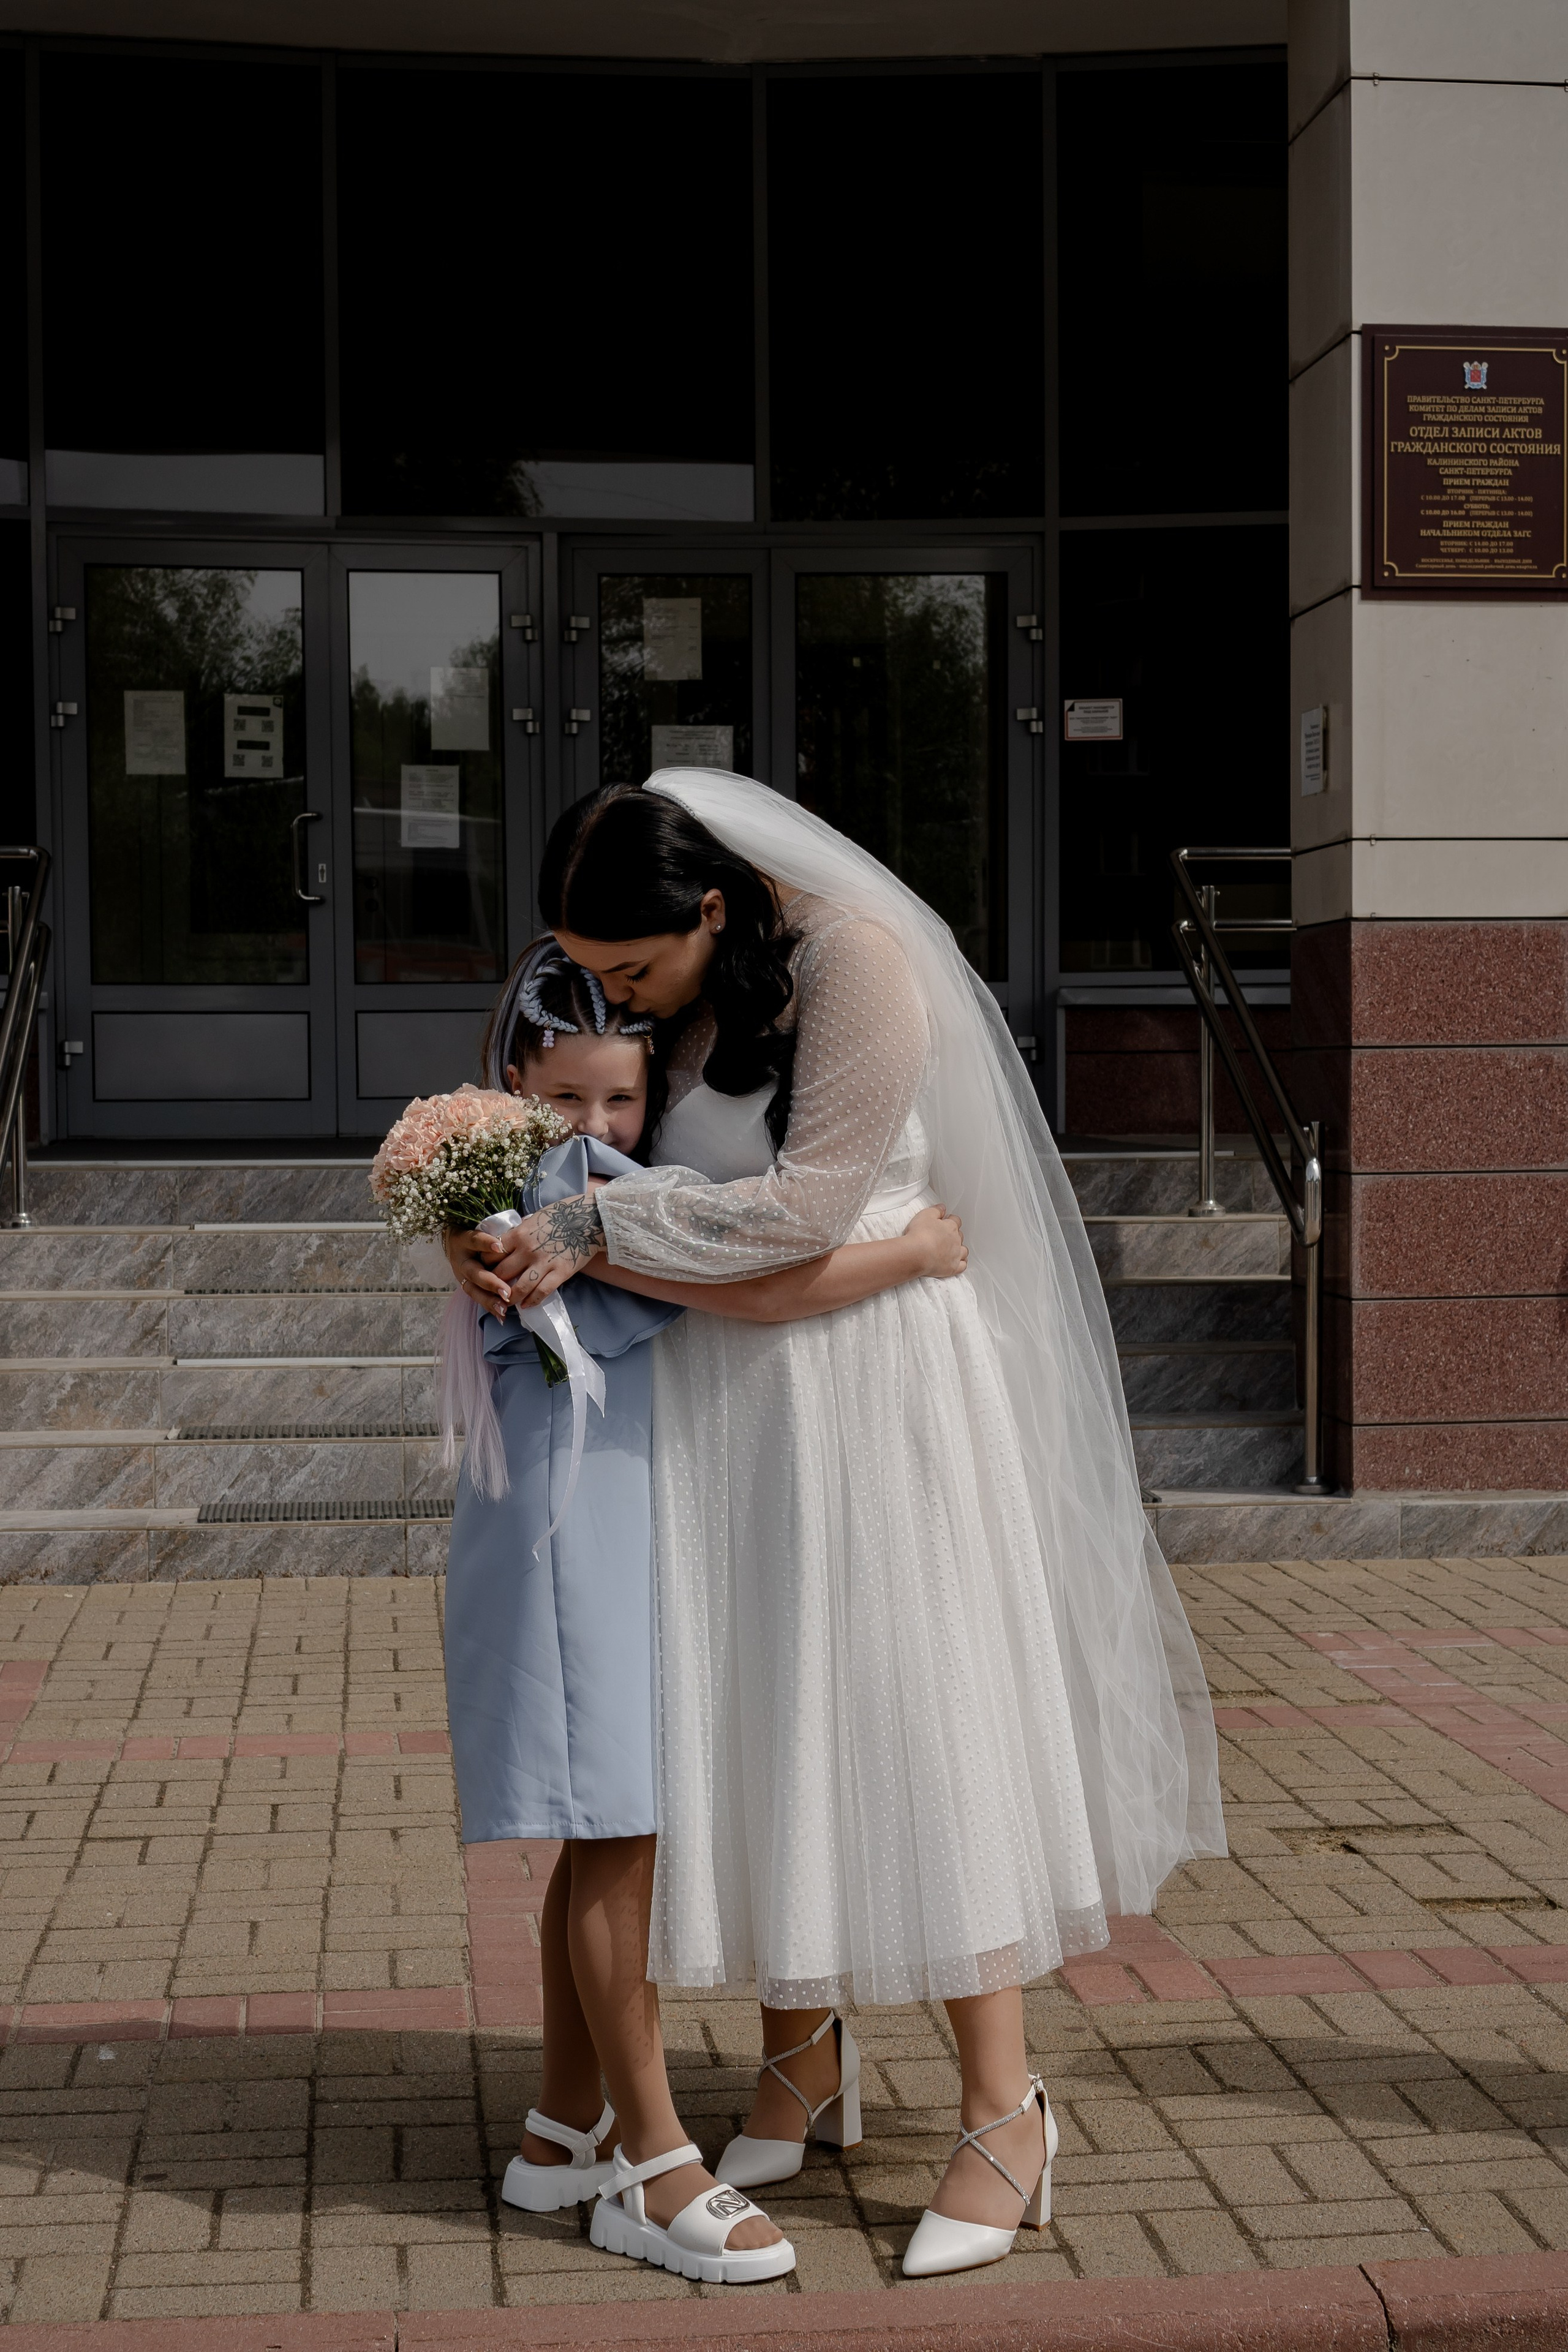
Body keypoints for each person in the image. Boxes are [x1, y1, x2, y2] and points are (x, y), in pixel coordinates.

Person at [460, 772, 1226, 2280]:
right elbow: (698, 1208)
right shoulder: (685, 990)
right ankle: (799, 2061)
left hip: (875, 1406)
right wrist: (582, 1227)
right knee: (764, 1730)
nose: (613, 999)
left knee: (908, 1723)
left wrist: (597, 1232)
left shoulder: (858, 963)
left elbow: (802, 1209)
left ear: (710, 909)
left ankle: (1006, 2112)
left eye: (630, 970)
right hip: (735, 1411)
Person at [443, 935, 971, 2285]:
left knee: (596, 1844)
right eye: (567, 1099)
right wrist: (911, 1252)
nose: (599, 1129)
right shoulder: (569, 1189)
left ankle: (561, 2134)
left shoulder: (526, 1178)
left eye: (622, 1102)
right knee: (617, 1837)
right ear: (514, 1082)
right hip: (578, 1531)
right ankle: (652, 2166)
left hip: (590, 1521)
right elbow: (768, 1286)